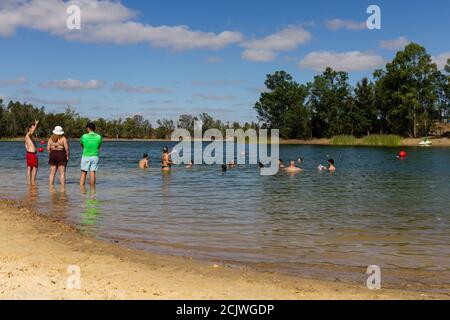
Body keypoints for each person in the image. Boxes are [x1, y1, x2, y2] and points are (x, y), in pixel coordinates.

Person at [80, 123, 102, 188]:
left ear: (88, 128)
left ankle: (82, 189)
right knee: (92, 172)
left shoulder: (84, 136)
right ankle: (93, 189)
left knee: (83, 172)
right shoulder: (99, 137)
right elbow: (99, 146)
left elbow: (81, 145)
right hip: (95, 156)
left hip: (86, 156)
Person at [25, 120, 39, 185]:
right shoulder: (28, 134)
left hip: (29, 153)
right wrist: (36, 124)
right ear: (30, 129)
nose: (34, 129)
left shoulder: (28, 136)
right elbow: (33, 132)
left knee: (29, 167)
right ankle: (33, 182)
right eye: (33, 128)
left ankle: (29, 182)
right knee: (34, 168)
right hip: (32, 154)